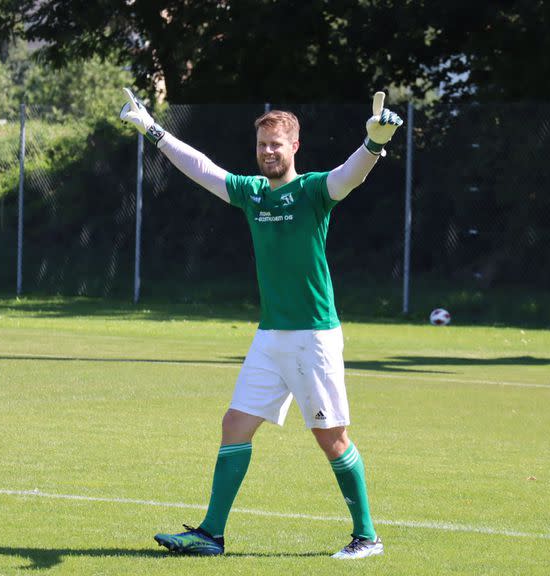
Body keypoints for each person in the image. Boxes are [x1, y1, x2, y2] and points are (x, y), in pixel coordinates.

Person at [120, 88, 402, 559]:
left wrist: (373, 144)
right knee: (235, 425)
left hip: (313, 335)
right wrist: (154, 130)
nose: (268, 152)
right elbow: (202, 168)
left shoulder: (313, 190)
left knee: (331, 439)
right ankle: (211, 534)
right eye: (262, 145)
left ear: (294, 147)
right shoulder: (252, 193)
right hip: (270, 336)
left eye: (276, 144)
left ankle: (367, 537)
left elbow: (349, 177)